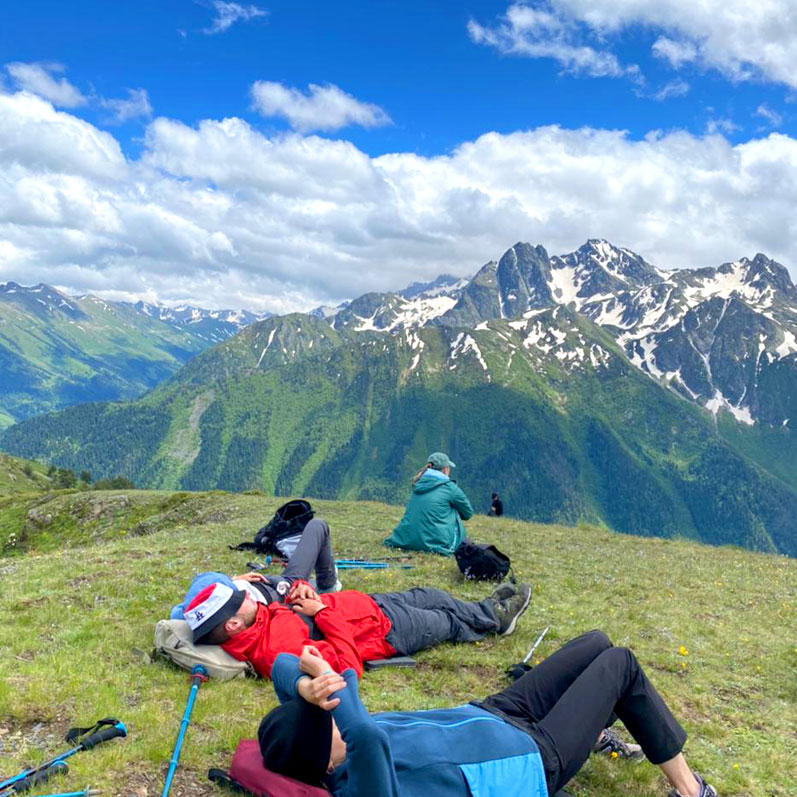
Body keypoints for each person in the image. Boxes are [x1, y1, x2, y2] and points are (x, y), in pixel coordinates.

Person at [259, 632, 718, 797]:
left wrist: (304, 686)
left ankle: (593, 728)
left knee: (595, 643)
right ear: (326, 761)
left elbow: (282, 665)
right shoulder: (361, 784)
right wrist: (337, 683)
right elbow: (368, 737)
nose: (336, 715)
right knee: (620, 664)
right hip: (534, 760)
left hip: (493, 713)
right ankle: (691, 790)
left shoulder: (328, 737)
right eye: (330, 722)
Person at [183, 579, 532, 680]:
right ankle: (496, 621)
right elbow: (348, 668)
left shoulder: (255, 620)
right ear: (232, 624)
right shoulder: (279, 653)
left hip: (368, 605)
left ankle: (487, 610)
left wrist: (301, 589)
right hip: (385, 633)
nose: (246, 593)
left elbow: (282, 604)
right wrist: (322, 612)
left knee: (434, 595)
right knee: (448, 621)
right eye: (238, 598)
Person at [384, 452, 473, 555]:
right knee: (453, 508)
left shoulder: (418, 484)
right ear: (445, 469)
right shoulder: (450, 488)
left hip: (406, 539)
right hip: (437, 544)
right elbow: (468, 514)